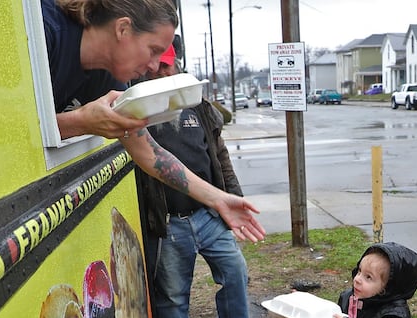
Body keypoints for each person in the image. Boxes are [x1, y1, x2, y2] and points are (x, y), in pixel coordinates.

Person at [42, 0, 264, 242]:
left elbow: (149, 153)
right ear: (123, 29)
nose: (155, 66)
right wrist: (79, 122)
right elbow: (4, 133)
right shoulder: (44, 31)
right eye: (154, 50)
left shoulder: (107, 75)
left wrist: (218, 198)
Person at [142, 46, 250, 318]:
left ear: (175, 63)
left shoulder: (197, 104)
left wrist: (233, 198)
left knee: (235, 271)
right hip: (169, 223)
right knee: (173, 293)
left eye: (166, 64)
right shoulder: (138, 109)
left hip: (208, 214)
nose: (161, 71)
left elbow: (220, 156)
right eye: (155, 65)